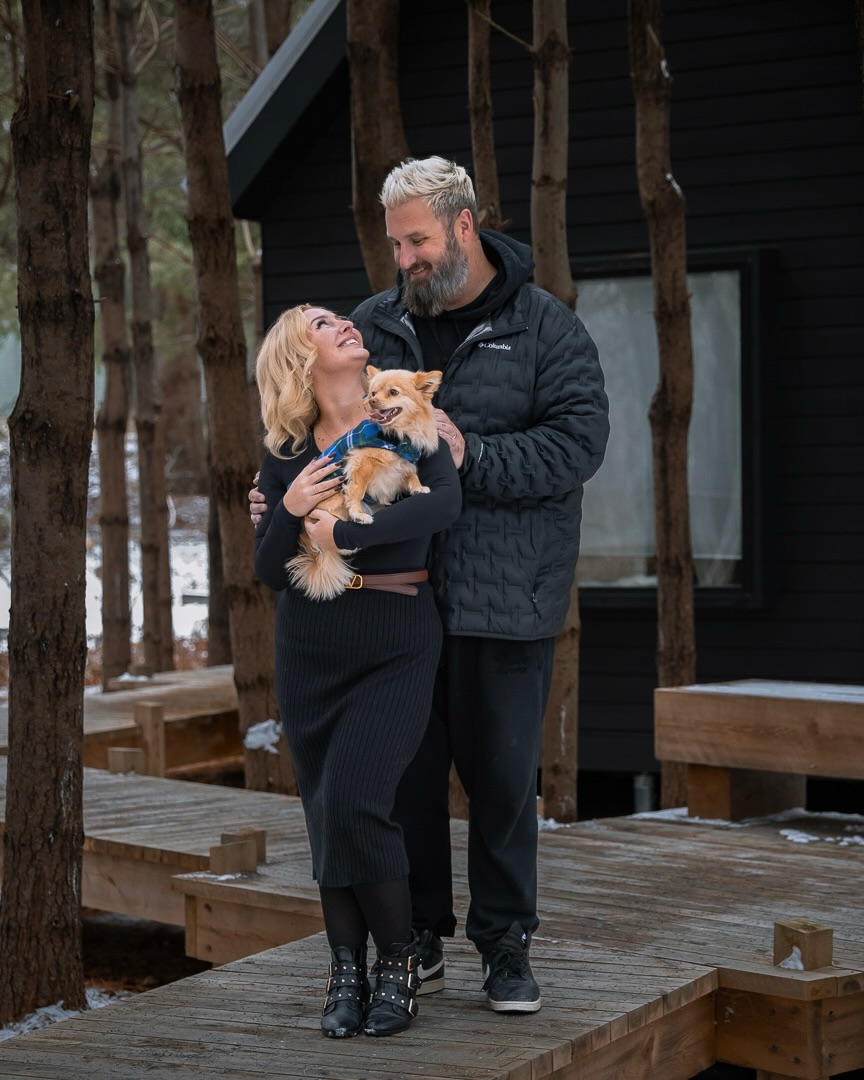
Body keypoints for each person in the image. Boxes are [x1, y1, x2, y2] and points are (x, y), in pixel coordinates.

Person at [252, 157, 609, 1014]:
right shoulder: (378, 325)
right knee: (399, 782)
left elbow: (579, 448)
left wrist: (469, 453)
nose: (404, 259)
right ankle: (411, 942)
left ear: (462, 225)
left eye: (416, 240)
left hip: (503, 597)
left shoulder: (544, 328)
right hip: (397, 607)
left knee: (500, 780)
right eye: (394, 243)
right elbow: (313, 422)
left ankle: (505, 944)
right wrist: (277, 496)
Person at [253, 303, 461, 1039]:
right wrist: (287, 506)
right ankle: (346, 972)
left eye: (339, 317)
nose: (341, 322)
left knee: (360, 799)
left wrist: (338, 529)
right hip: (311, 645)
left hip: (398, 635)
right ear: (300, 360)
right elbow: (269, 568)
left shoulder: (410, 416)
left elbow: (445, 508)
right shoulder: (286, 450)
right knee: (326, 811)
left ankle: (398, 963)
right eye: (319, 323)